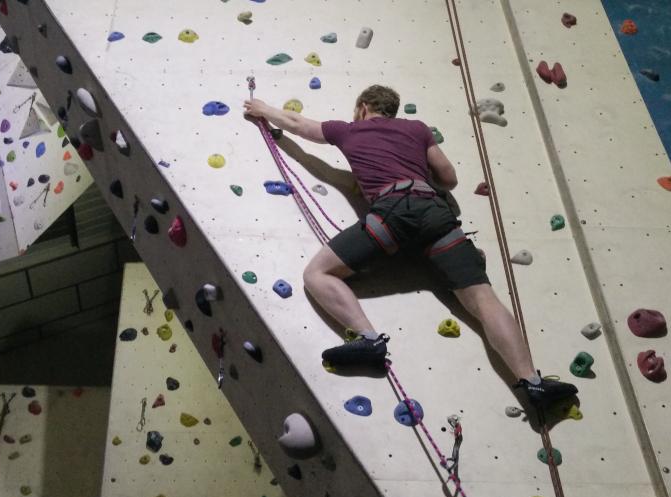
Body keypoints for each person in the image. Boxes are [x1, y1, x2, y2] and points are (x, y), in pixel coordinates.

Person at [243, 85, 577, 408]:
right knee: (483, 300)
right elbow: (449, 178)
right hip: (435, 213)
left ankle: (368, 341)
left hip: (393, 213)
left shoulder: (350, 130)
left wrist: (264, 110)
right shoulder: (417, 129)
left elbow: (299, 125)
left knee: (318, 274)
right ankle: (532, 382)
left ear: (362, 108)